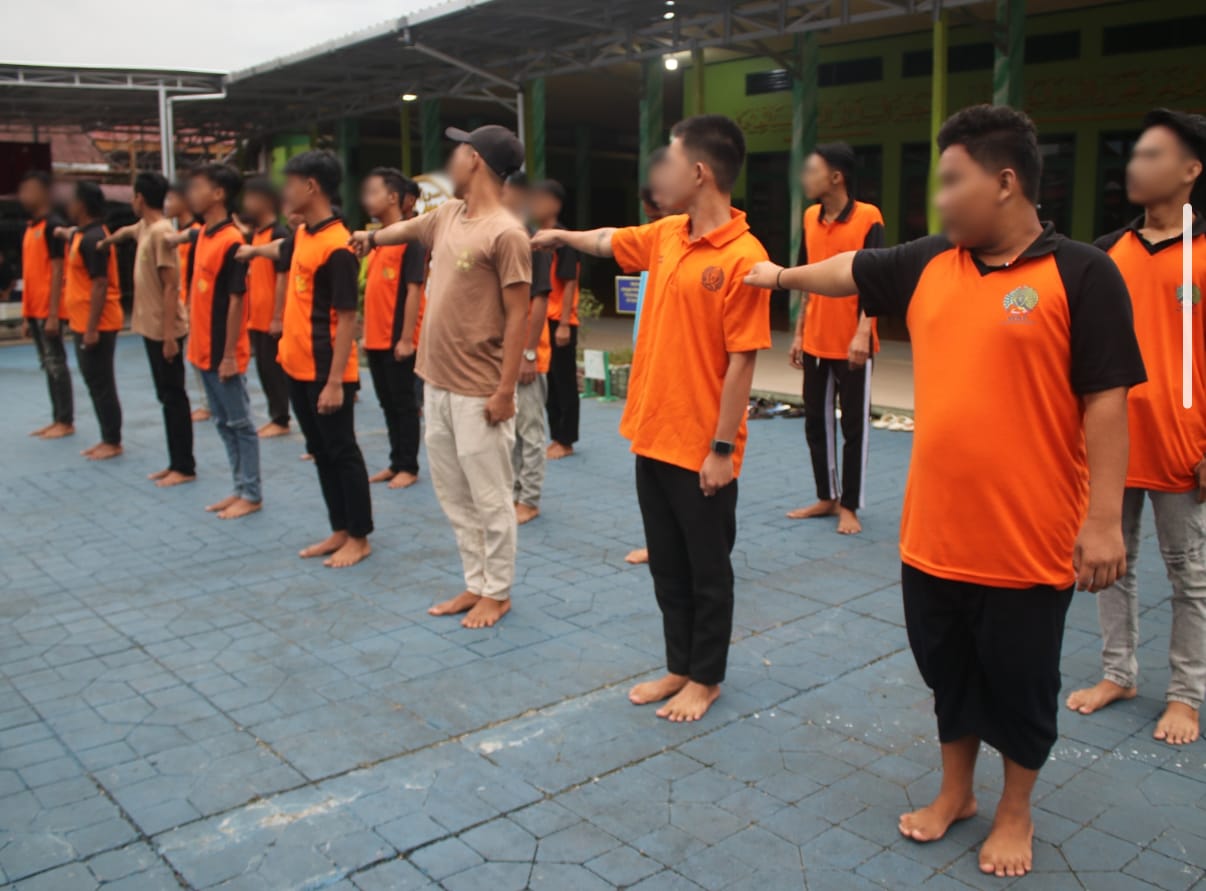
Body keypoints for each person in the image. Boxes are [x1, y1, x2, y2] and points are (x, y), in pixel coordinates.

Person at [745, 105, 1146, 878]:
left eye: (951, 181)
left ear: (1005, 182)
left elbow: (1106, 400)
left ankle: (1015, 808)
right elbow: (852, 269)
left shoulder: (1082, 273)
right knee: (948, 670)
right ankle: (956, 791)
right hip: (933, 534)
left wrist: (1105, 520)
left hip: (1029, 538)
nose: (939, 199)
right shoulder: (931, 260)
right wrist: (783, 277)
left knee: (1022, 682)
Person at [533, 114, 773, 722]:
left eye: (668, 161)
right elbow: (609, 239)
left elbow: (743, 361)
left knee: (707, 571)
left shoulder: (744, 256)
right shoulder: (668, 233)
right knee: (667, 566)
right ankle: (679, 666)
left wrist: (722, 449)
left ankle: (707, 678)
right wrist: (562, 237)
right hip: (652, 433)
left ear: (700, 172)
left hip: (701, 445)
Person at [350, 124, 531, 628]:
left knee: (490, 498)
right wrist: (370, 237)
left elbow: (518, 315)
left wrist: (505, 391)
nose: (451, 159)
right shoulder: (449, 214)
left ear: (475, 160)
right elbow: (406, 230)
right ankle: (476, 582)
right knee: (454, 496)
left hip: (480, 390)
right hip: (437, 381)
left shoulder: (506, 233)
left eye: (458, 151)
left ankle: (498, 591)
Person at [1066, 108, 1206, 747]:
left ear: (1191, 170)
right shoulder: (1105, 254)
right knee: (1108, 566)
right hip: (1111, 444)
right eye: (1135, 153)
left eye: (1153, 155)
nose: (1136, 165)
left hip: (1184, 448)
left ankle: (1185, 695)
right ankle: (1118, 673)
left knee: (1190, 578)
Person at [279, 151, 373, 568]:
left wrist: (336, 381)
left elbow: (348, 318)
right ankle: (339, 527)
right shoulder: (304, 234)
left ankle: (360, 536)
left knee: (342, 451)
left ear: (311, 186)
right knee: (320, 450)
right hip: (296, 366)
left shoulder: (338, 247)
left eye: (290, 183)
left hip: (326, 370)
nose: (285, 192)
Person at [788, 143, 884, 535]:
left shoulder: (868, 217)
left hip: (853, 343)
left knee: (854, 428)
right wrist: (799, 332)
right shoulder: (810, 217)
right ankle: (827, 496)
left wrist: (864, 333)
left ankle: (850, 505)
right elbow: (806, 276)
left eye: (812, 171)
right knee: (816, 422)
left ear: (836, 177)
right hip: (815, 339)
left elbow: (876, 281)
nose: (805, 179)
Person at [99, 172, 195, 486]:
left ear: (140, 198)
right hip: (152, 328)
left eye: (133, 196)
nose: (131, 201)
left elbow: (170, 286)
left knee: (174, 397)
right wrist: (108, 241)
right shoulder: (145, 228)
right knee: (165, 396)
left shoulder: (162, 233)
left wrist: (169, 337)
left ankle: (184, 466)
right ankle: (175, 462)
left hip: (164, 329)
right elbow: (127, 232)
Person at [185, 164, 261, 519]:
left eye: (197, 187)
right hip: (201, 348)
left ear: (218, 194)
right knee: (221, 422)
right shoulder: (203, 234)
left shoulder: (233, 242)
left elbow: (236, 302)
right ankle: (239, 487)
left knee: (240, 424)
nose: (191, 193)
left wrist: (229, 354)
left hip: (222, 351)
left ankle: (252, 492)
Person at [360, 167, 426, 490]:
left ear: (393, 198)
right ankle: (395, 460)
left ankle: (408, 466)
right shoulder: (377, 240)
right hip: (375, 339)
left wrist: (406, 338)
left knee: (404, 405)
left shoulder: (410, 239)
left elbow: (414, 290)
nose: (367, 199)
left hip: (396, 339)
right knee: (387, 404)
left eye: (374, 192)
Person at [625, 147, 674, 567]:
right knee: (652, 469)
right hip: (652, 362)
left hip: (681, 376)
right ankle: (660, 545)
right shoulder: (659, 238)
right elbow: (607, 240)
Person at [502, 173, 553, 525]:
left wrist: (529, 353)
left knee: (530, 432)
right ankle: (515, 492)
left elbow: (539, 302)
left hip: (528, 356)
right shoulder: (505, 239)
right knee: (510, 432)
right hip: (507, 355)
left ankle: (529, 499)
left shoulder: (533, 243)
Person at [62, 181, 124, 460]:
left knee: (102, 382)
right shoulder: (83, 234)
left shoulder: (94, 238)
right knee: (94, 381)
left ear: (83, 204)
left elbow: (100, 284)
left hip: (98, 323)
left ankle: (112, 440)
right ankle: (106, 436)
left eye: (72, 200)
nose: (68, 205)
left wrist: (91, 329)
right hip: (82, 321)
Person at [17, 170, 74, 439]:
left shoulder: (53, 226)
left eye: (29, 189)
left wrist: (53, 313)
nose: (24, 195)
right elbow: (30, 275)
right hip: (35, 308)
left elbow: (58, 270)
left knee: (56, 363)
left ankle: (65, 419)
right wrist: (26, 314)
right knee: (47, 364)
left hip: (48, 308)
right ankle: (57, 417)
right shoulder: (31, 228)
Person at [532, 179, 582, 462]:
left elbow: (570, 282)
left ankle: (566, 439)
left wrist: (564, 323)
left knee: (564, 381)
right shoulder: (538, 237)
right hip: (543, 320)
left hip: (560, 320)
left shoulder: (563, 239)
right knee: (550, 380)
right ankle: (555, 436)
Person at [241, 177, 292, 438]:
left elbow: (283, 277)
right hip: (257, 317)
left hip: (272, 317)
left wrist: (277, 316)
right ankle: (276, 416)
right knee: (263, 369)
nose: (246, 203)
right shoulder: (257, 235)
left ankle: (281, 418)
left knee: (273, 371)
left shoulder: (278, 234)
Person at [166, 182, 210, 423]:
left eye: (171, 199)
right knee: (191, 355)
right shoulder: (182, 234)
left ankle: (208, 403)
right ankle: (207, 401)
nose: (167, 204)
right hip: (182, 301)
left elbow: (196, 273)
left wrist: (191, 302)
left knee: (199, 354)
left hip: (193, 303)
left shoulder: (196, 234)